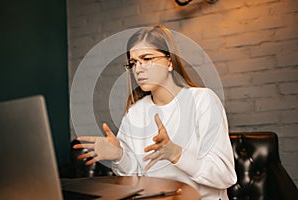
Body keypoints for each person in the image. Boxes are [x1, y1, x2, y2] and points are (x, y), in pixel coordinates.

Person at [73, 25, 237, 199]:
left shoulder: (202, 100)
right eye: (133, 63)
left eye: (147, 58)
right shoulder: (135, 111)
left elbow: (225, 175)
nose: (138, 69)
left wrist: (176, 154)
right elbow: (134, 176)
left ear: (170, 61)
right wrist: (119, 155)